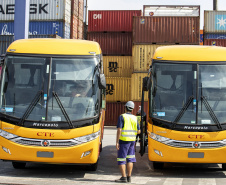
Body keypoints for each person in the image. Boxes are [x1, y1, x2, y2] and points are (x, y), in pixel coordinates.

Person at [115, 101, 141, 183]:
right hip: (132, 141)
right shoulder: (135, 118)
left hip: (123, 141)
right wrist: (131, 133)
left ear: (125, 107)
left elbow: (119, 129)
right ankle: (129, 177)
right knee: (130, 158)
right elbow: (139, 131)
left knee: (121, 159)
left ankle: (123, 177)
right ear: (132, 109)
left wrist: (117, 141)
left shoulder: (122, 116)